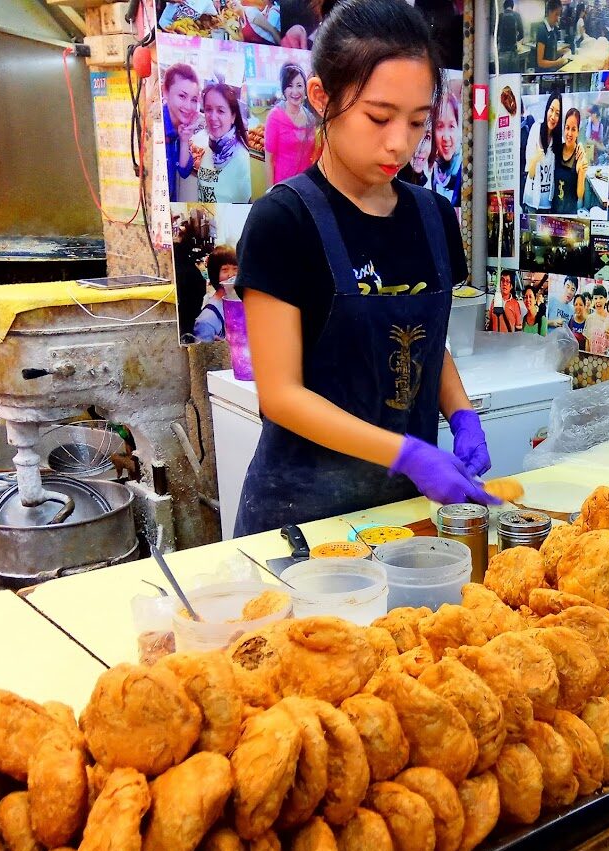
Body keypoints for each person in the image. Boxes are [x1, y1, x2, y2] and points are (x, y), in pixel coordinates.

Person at [233, 0, 496, 537]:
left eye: (417, 121)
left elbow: (425, 342)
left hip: (402, 512)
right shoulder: (284, 221)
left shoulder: (434, 216)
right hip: (302, 518)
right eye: (378, 117)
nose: (399, 142)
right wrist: (408, 454)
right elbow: (280, 395)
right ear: (321, 97)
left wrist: (461, 413)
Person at [196, 83, 253, 204]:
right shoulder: (211, 149)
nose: (212, 117)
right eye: (208, 109)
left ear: (233, 117)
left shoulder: (243, 162)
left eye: (220, 111)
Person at [265, 64, 317, 187]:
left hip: (305, 185)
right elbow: (269, 160)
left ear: (305, 88)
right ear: (284, 90)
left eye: (299, 85)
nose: (295, 91)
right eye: (289, 86)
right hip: (283, 186)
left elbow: (312, 156)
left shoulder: (310, 119)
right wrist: (270, 191)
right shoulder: (275, 116)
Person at [163, 64, 201, 202]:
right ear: (165, 92)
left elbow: (184, 171)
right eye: (182, 96)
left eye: (193, 100)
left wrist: (184, 140)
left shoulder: (179, 127)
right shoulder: (158, 126)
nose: (188, 106)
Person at [524, 91, 563, 211]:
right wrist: (535, 159)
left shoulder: (558, 139)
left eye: (557, 113)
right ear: (547, 109)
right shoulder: (536, 129)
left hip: (548, 203)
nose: (553, 116)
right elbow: (530, 173)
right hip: (532, 200)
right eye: (551, 110)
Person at [193, 245, 238, 342]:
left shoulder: (241, 303)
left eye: (235, 269)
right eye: (225, 269)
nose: (231, 275)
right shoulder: (206, 321)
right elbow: (205, 351)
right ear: (214, 273)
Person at [552, 108, 589, 214]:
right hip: (553, 211)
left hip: (570, 214)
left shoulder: (579, 156)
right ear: (564, 129)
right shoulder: (557, 150)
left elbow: (580, 195)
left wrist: (582, 172)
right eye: (567, 128)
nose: (569, 133)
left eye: (573, 129)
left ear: (578, 132)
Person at [431, 91, 463, 206]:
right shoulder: (433, 169)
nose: (446, 137)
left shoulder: (466, 170)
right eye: (439, 126)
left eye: (451, 126)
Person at [534, 0, 571, 71]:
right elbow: (540, 62)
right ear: (549, 12)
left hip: (552, 71)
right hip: (543, 74)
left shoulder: (554, 29)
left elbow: (551, 52)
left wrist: (561, 52)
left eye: (559, 15)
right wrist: (557, 63)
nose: (558, 19)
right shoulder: (542, 30)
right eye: (556, 14)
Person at [585, 285, 609, 354]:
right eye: (595, 298)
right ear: (593, 300)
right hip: (593, 357)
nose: (598, 301)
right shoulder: (589, 318)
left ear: (606, 299)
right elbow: (587, 341)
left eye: (601, 298)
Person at [496, 0, 526, 72]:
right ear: (512, 6)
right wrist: (515, 40)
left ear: (504, 7)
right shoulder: (517, 16)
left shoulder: (500, 16)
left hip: (502, 52)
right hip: (513, 52)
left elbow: (495, 34)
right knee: (513, 76)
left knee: (503, 76)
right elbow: (521, 35)